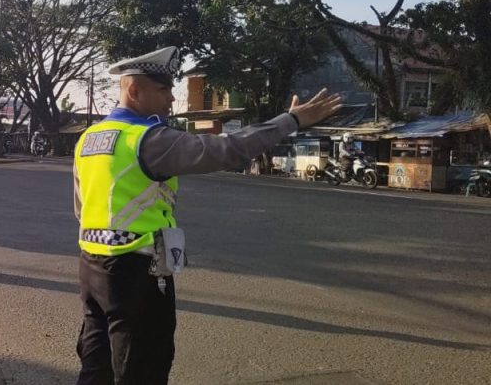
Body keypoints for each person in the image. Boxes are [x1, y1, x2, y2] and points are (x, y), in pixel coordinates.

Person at [73, 46, 342, 384]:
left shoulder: (89, 138)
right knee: (142, 367)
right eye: (163, 89)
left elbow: (82, 208)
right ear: (134, 90)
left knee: (95, 366)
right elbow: (227, 150)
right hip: (138, 272)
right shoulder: (148, 139)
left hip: (92, 266)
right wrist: (291, 120)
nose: (172, 99)